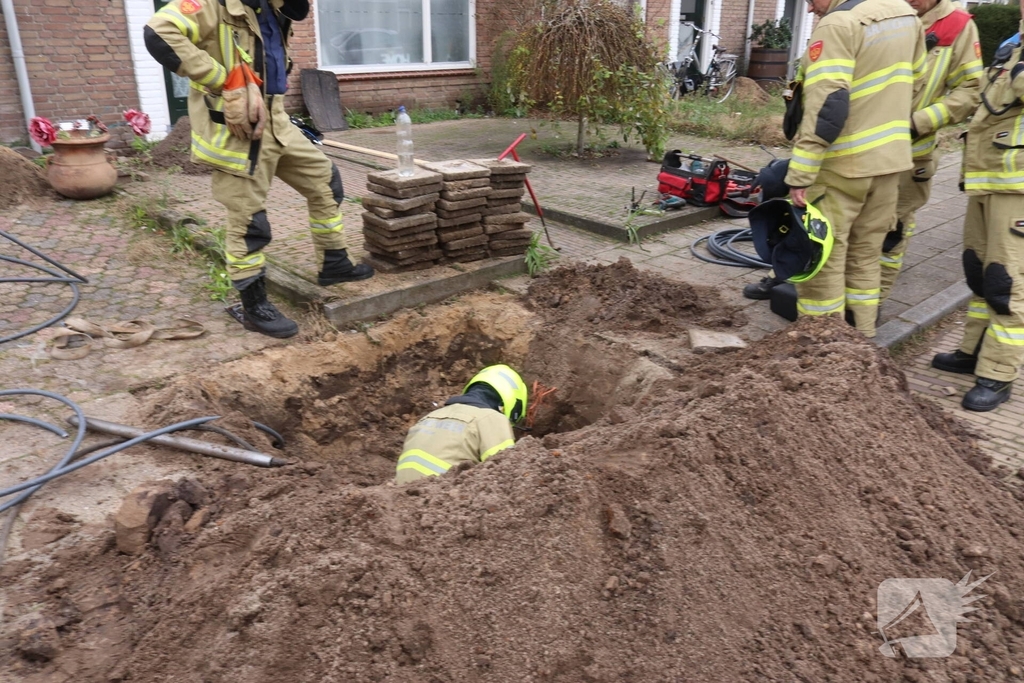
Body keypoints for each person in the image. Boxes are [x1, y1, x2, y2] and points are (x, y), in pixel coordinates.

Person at [144, 0, 373, 340]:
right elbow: (158, 32)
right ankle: (254, 306)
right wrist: (223, 80)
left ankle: (334, 263)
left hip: (276, 118)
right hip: (239, 126)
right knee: (250, 222)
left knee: (326, 181)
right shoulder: (212, 5)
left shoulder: (272, 6)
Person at [783, 0, 927, 337]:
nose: (808, 8)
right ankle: (862, 347)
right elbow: (918, 83)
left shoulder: (838, 24)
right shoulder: (907, 17)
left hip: (842, 166)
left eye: (809, 0)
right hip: (890, 163)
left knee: (824, 259)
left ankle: (825, 353)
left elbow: (827, 107)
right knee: (866, 255)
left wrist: (801, 173)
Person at [931, 9, 1024, 412]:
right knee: (979, 270)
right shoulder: (1012, 46)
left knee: (1007, 281)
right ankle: (973, 349)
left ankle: (999, 373)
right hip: (986, 176)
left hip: (1018, 185)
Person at [878, 0, 982, 303]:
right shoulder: (882, 14)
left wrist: (918, 122)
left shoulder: (958, 27)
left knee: (892, 230)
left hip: (912, 155)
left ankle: (872, 300)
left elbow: (970, 91)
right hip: (861, 148)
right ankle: (788, 272)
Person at [395, 365, 528, 484]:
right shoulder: (493, 418)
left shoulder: (428, 417)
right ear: (513, 404)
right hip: (442, 500)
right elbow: (506, 475)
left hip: (402, 500)